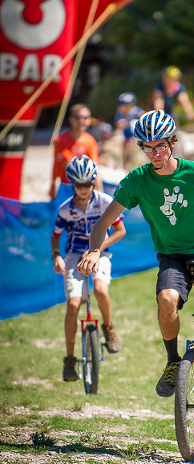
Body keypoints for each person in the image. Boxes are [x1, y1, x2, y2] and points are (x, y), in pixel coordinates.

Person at [77, 110, 194, 433]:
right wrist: (95, 250)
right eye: (148, 147)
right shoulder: (138, 181)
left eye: (161, 146)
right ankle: (172, 361)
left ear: (173, 143)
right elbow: (102, 222)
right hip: (173, 256)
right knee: (167, 299)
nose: (155, 153)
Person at [51, 155, 126, 382]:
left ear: (94, 181)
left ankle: (108, 327)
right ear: (72, 184)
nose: (84, 189)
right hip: (74, 254)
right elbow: (55, 237)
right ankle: (70, 359)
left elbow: (120, 230)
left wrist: (96, 249)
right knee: (74, 304)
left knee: (101, 290)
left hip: (100, 252)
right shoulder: (66, 209)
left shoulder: (104, 201)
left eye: (88, 184)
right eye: (79, 185)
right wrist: (56, 256)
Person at [50, 103, 102, 199]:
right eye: (77, 118)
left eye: (85, 118)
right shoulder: (60, 140)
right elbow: (69, 166)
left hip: (85, 190)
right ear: (71, 119)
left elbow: (95, 167)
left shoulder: (90, 141)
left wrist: (99, 191)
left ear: (90, 120)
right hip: (65, 189)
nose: (81, 121)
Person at [114, 92, 145, 169]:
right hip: (126, 135)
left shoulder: (135, 110)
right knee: (126, 146)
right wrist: (123, 123)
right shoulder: (120, 113)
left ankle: (136, 163)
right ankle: (125, 164)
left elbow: (144, 115)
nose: (122, 108)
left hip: (136, 135)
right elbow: (118, 124)